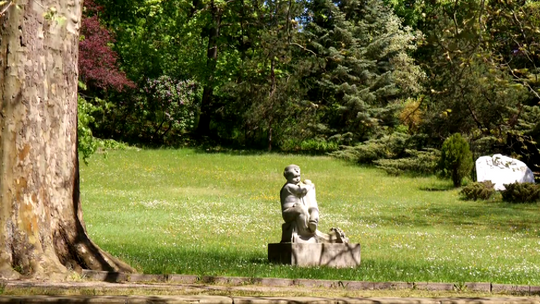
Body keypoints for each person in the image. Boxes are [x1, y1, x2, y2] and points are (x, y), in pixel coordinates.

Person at [279, 165, 319, 242]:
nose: (298, 179)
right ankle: (305, 233)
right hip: (288, 213)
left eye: (299, 176)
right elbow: (301, 190)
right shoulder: (288, 186)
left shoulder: (293, 185)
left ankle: (312, 220)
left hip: (294, 209)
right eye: (294, 177)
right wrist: (309, 185)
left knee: (302, 208)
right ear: (287, 177)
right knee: (301, 209)